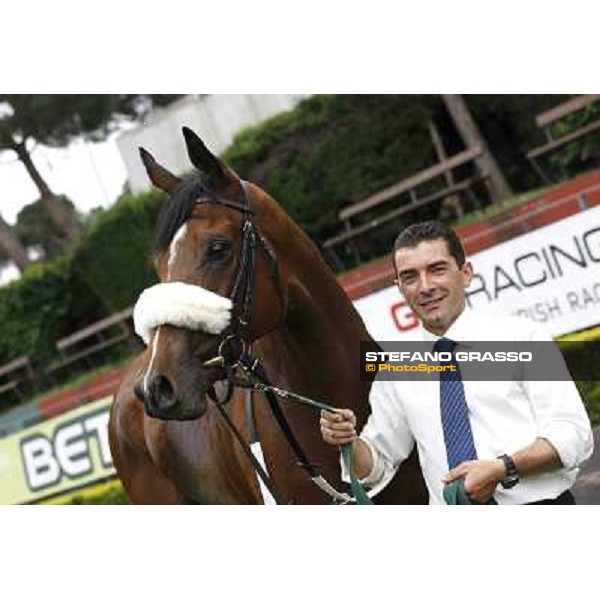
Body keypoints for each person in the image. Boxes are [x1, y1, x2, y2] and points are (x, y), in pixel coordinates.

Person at [321, 220, 594, 504]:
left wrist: (502, 467)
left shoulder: (522, 336)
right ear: (400, 287)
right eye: (410, 277)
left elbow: (573, 435)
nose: (425, 287)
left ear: (465, 273)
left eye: (437, 269)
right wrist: (349, 442)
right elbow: (375, 465)